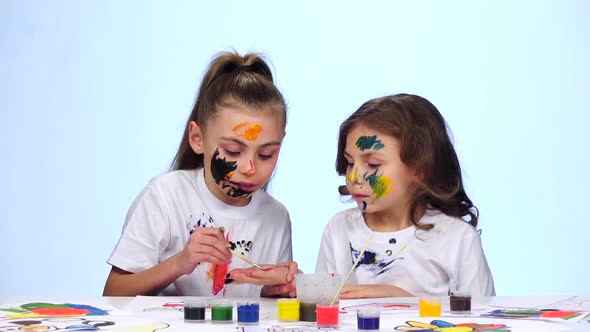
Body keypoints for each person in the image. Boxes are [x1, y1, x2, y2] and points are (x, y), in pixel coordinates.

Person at [103, 51, 297, 297]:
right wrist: (180, 262)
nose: (250, 168)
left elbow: (268, 309)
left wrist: (280, 289)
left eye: (266, 155)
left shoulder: (276, 217)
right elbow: (113, 293)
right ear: (197, 138)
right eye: (233, 151)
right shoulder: (166, 196)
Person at [315, 93, 495, 298]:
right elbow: (322, 313)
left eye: (373, 164)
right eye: (349, 162)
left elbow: (481, 321)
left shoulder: (457, 238)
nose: (354, 176)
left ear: (419, 170)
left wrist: (402, 302)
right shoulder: (338, 229)